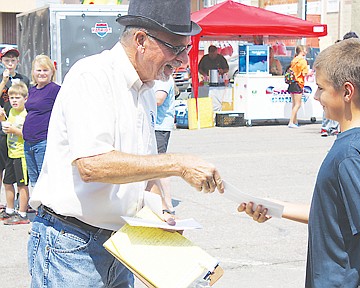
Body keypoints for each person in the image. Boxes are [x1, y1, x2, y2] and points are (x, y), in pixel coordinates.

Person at [27, 0, 224, 287]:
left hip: (121, 242)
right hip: (72, 246)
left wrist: (164, 216)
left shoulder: (145, 88)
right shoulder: (92, 75)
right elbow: (92, 165)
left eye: (187, 49)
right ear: (141, 40)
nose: (182, 60)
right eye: (177, 48)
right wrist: (177, 164)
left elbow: (143, 171)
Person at [238, 39, 360, 287]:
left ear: (347, 92)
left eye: (321, 88)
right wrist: (275, 206)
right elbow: (335, 214)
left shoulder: (349, 154)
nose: (317, 96)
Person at [23, 55, 61, 187]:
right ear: (33, 72)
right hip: (28, 142)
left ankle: (45, 208)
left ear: (52, 72)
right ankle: (38, 207)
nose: (42, 73)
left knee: (45, 181)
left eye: (45, 70)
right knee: (34, 181)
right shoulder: (32, 90)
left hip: (43, 141)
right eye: (38, 70)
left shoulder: (55, 90)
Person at [0, 47, 30, 209]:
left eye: (13, 60)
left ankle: (22, 205)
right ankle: (5, 203)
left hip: (18, 128)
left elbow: (28, 99)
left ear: (17, 62)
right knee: (3, 169)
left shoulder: (23, 79)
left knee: (20, 172)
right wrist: (4, 81)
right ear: (2, 62)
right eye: (7, 60)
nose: (10, 63)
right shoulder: (1, 79)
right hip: (2, 128)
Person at [151, 76, 176, 213]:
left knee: (160, 165)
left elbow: (159, 99)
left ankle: (167, 203)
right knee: (155, 164)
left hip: (160, 126)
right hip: (155, 125)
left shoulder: (164, 78)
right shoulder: (158, 77)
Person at [287, 45, 309, 128]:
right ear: (302, 50)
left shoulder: (294, 60)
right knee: (298, 104)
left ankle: (294, 121)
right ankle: (291, 121)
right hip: (298, 83)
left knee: (294, 104)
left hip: (292, 82)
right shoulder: (303, 61)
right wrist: (310, 72)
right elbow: (304, 73)